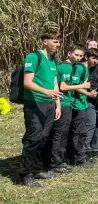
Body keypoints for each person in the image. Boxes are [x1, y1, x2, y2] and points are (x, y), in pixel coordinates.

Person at [18, 31, 62, 187]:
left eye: (58, 42)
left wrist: (57, 104)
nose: (58, 44)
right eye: (55, 41)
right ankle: (25, 174)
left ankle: (37, 169)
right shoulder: (33, 57)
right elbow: (27, 83)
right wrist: (46, 92)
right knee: (33, 138)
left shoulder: (54, 60)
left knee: (43, 138)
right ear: (45, 41)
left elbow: (55, 82)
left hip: (50, 105)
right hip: (35, 103)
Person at [46, 44, 89, 174]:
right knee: (60, 133)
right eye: (76, 55)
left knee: (63, 133)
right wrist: (83, 85)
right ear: (69, 53)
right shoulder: (65, 67)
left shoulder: (70, 67)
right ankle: (55, 163)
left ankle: (60, 159)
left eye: (81, 56)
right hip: (63, 103)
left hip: (67, 102)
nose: (78, 58)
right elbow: (63, 87)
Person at [70, 49, 98, 167]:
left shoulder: (86, 69)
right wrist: (88, 94)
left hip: (83, 103)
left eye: (97, 58)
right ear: (86, 57)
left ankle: (81, 155)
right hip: (77, 104)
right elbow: (74, 86)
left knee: (82, 131)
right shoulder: (80, 68)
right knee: (78, 132)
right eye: (93, 58)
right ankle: (77, 158)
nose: (95, 61)